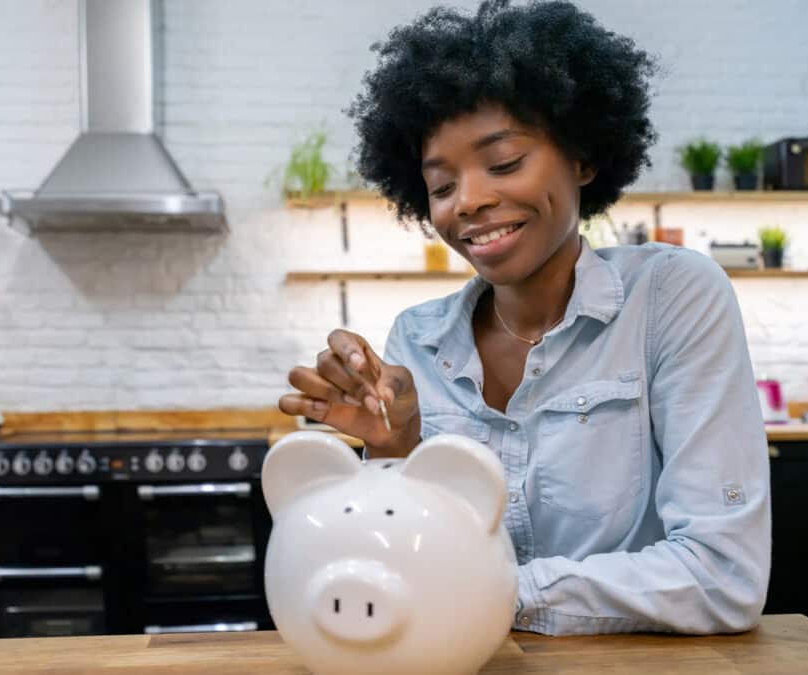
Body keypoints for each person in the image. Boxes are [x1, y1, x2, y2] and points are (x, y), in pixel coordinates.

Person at [278, 0, 770, 636]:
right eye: (442, 185)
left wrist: (495, 592)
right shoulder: (418, 342)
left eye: (505, 163)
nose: (471, 201)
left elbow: (721, 579)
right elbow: (403, 564)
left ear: (583, 157)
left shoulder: (671, 297)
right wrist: (391, 446)